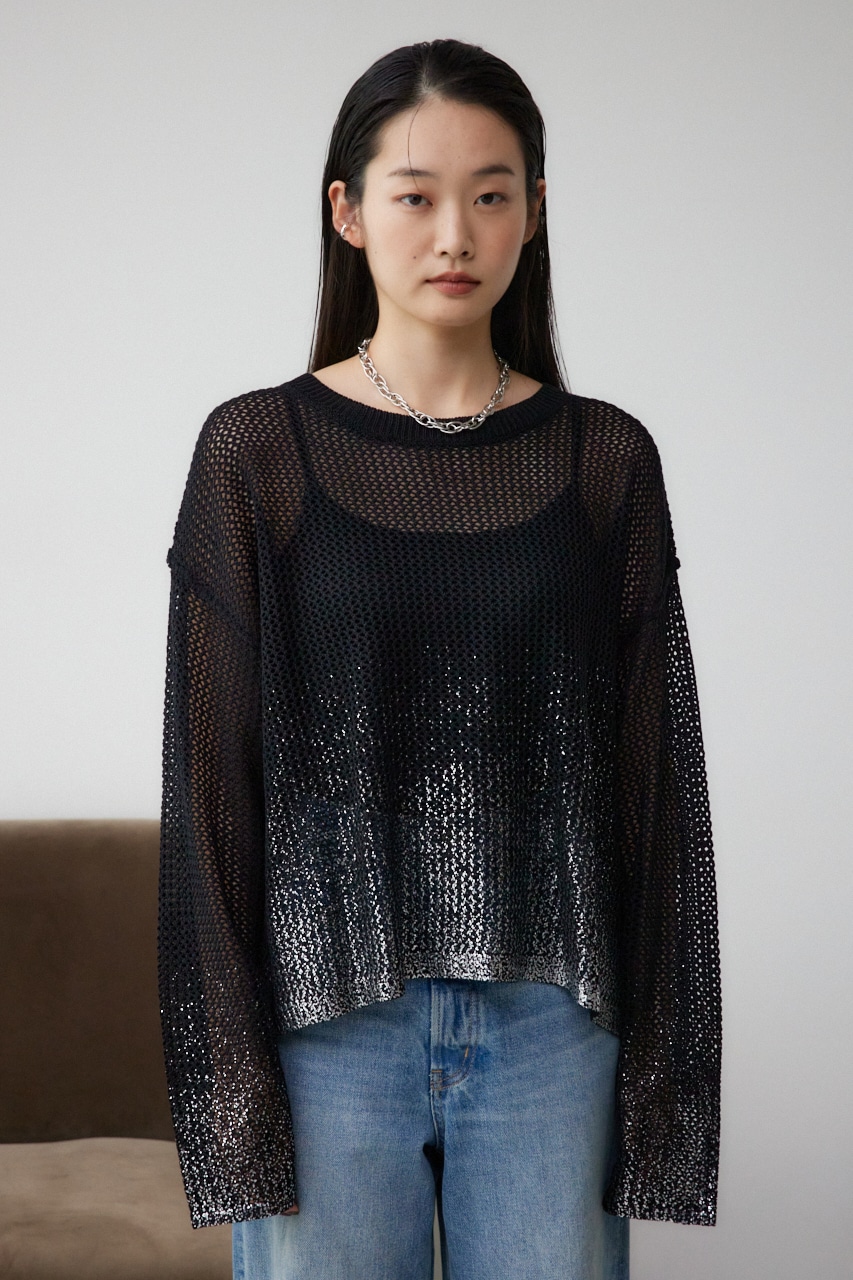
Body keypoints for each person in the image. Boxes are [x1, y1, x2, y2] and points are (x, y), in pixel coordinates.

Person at [158, 37, 722, 1280]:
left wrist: (663, 1070)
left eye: (491, 193)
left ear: (534, 211)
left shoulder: (605, 461)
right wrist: (233, 1073)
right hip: (324, 1025)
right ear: (348, 212)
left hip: (551, 1029)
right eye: (415, 195)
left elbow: (654, 788)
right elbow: (209, 791)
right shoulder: (255, 455)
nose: (455, 233)